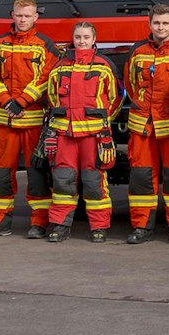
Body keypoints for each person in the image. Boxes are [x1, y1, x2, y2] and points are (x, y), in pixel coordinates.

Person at [0, 0, 59, 238]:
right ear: (12, 16)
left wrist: (22, 101)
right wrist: (6, 102)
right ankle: (0, 223)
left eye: (27, 16)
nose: (23, 20)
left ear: (36, 17)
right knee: (2, 174)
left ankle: (39, 223)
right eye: (19, 15)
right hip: (4, 122)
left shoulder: (45, 45)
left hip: (33, 121)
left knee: (37, 174)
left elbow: (47, 78)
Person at [40, 22, 121, 243]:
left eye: (86, 37)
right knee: (62, 181)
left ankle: (99, 227)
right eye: (78, 37)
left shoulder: (104, 66)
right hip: (64, 135)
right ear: (73, 39)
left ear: (94, 39)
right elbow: (51, 99)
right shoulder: (60, 67)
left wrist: (103, 123)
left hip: (94, 137)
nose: (82, 41)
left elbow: (115, 98)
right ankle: (60, 225)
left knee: (94, 181)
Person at [123, 5, 169, 244]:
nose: (161, 27)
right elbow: (130, 85)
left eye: (165, 23)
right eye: (156, 23)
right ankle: (142, 226)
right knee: (141, 178)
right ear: (149, 24)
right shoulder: (138, 51)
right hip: (143, 125)